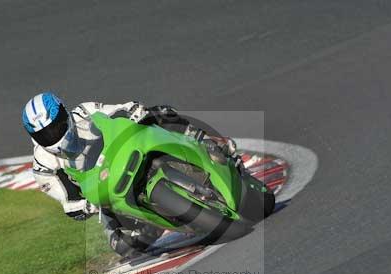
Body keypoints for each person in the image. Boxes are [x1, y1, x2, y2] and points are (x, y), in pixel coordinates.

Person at [22, 92, 237, 257]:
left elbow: (119, 110)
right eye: (44, 134)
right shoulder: (43, 164)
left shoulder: (83, 112)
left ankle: (208, 143)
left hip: (122, 153)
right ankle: (152, 221)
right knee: (123, 246)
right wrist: (83, 207)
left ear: (64, 114)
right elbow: (67, 200)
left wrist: (134, 110)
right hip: (104, 192)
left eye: (56, 127)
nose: (53, 136)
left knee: (159, 113)